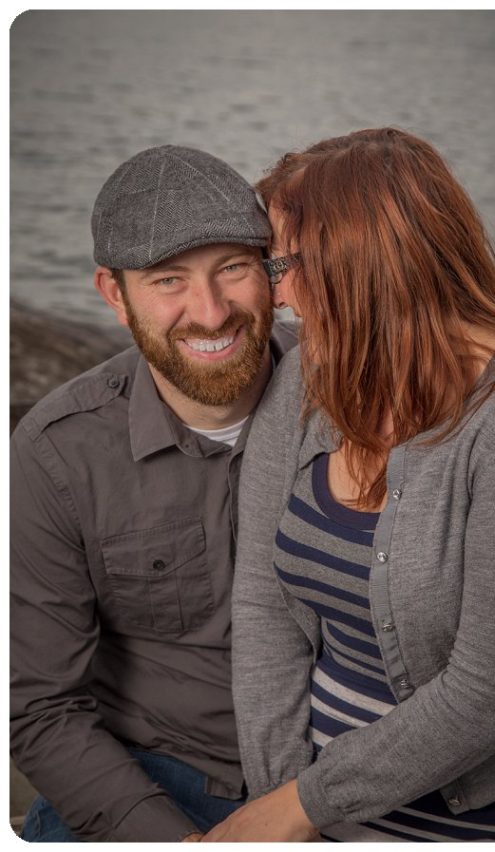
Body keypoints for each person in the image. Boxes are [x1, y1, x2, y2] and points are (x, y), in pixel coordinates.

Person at [200, 127, 495, 842]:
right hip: (306, 804)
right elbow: (265, 603)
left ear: (356, 259)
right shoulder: (308, 377)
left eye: (280, 268)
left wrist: (300, 807)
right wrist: (280, 802)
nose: (275, 298)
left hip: (473, 818)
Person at [10, 145, 296, 841]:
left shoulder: (348, 397)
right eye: (169, 280)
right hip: (156, 776)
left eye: (233, 268)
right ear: (115, 295)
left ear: (272, 273)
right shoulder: (57, 455)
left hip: (334, 779)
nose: (210, 311)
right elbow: (41, 707)